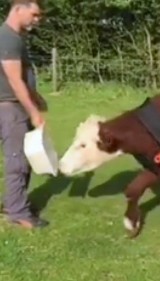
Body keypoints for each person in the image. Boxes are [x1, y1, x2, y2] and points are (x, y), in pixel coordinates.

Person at [0, 0, 48, 229]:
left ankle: (14, 203)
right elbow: (14, 80)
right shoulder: (8, 38)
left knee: (23, 158)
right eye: (35, 14)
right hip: (10, 108)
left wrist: (36, 98)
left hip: (15, 105)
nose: (37, 21)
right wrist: (33, 111)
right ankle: (18, 213)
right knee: (17, 161)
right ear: (18, 8)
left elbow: (23, 76)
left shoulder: (15, 37)